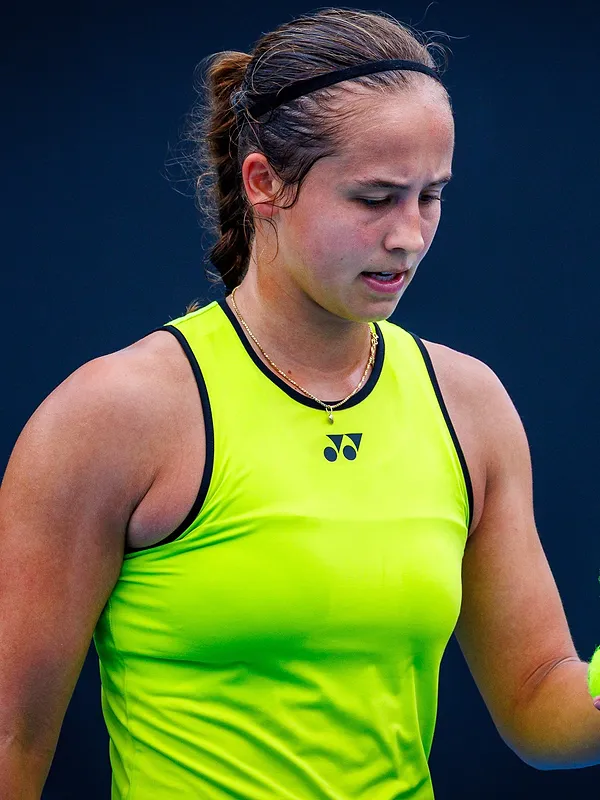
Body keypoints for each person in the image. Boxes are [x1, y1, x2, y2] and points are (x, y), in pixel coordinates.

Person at [1, 7, 600, 799]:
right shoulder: (111, 416)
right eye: (375, 197)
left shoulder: (471, 404)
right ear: (264, 183)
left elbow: (541, 706)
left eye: (431, 195)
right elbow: (13, 736)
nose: (410, 236)